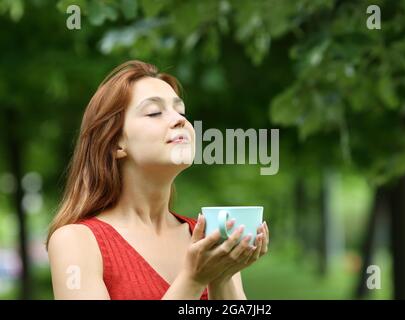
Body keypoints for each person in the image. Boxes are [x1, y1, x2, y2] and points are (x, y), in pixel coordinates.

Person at [46, 60, 269, 300]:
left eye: (181, 111)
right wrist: (193, 280)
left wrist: (221, 277)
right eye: (154, 112)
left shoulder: (211, 238)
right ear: (115, 144)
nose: (179, 120)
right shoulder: (75, 242)